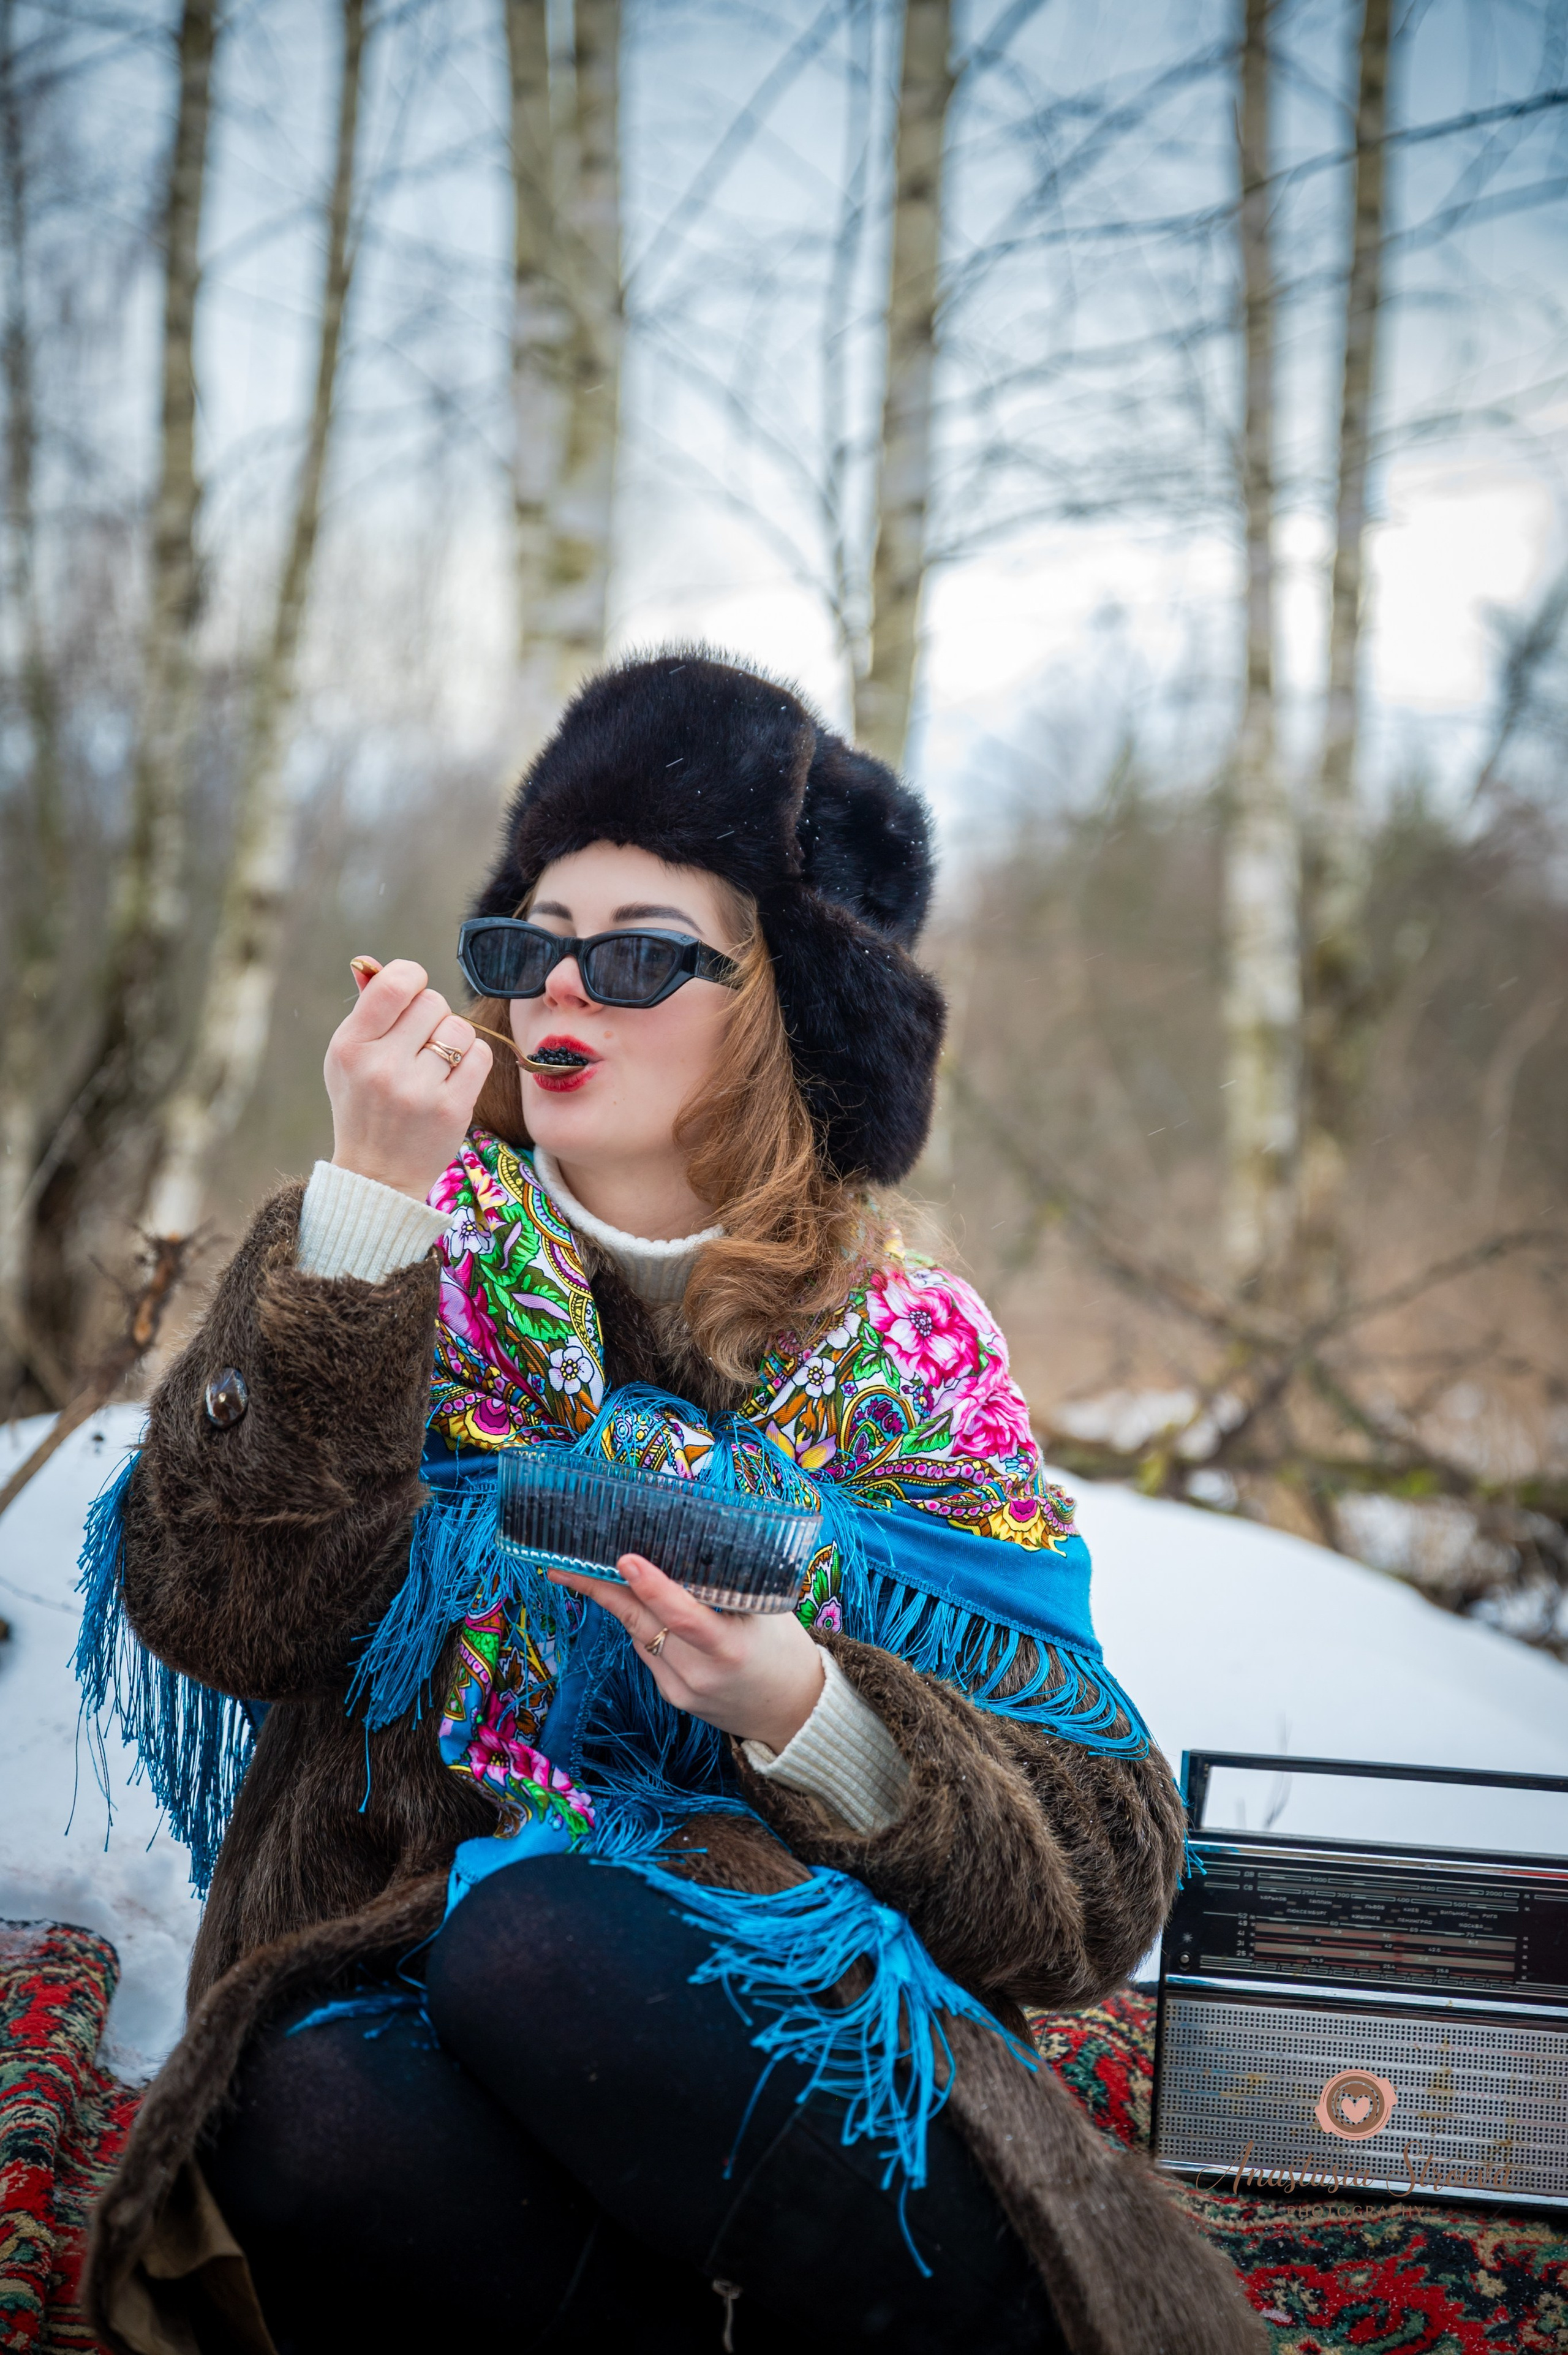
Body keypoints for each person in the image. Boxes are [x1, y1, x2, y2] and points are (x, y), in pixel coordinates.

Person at [83, 652, 1263, 2355]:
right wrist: (362, 1216)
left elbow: (1096, 1881)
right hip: (418, 1998)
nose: (562, 982)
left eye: (640, 950)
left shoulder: (908, 1354)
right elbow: (213, 1604)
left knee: (549, 1941)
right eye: (527, 939)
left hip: (769, 2041)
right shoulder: (390, 1236)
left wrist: (808, 1715)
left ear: (780, 1000)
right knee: (299, 2111)